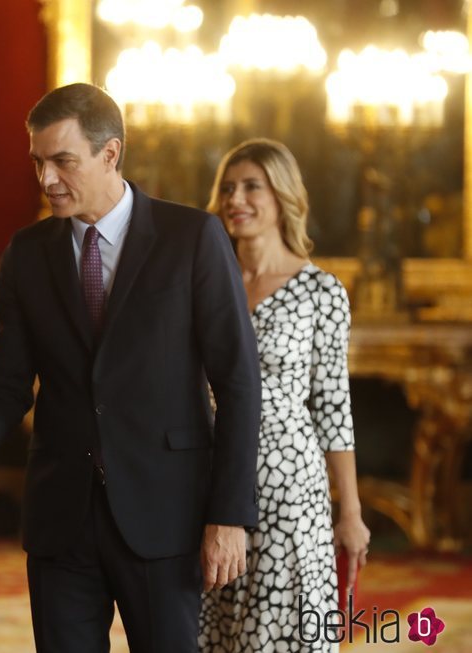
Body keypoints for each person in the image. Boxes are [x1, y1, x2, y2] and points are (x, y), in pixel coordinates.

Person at [0, 83, 262, 653]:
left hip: (166, 513)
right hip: (61, 520)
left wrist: (230, 515)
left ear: (110, 153)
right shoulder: (27, 252)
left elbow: (238, 384)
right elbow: (8, 380)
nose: (46, 180)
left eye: (63, 162)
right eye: (38, 162)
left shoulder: (191, 238)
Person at [198, 138, 370, 651]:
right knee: (213, 631)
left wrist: (351, 512)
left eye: (253, 186)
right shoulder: (203, 284)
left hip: (289, 489)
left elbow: (334, 409)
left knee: (280, 635)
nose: (236, 199)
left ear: (283, 196)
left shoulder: (321, 291)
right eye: (228, 188)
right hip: (206, 483)